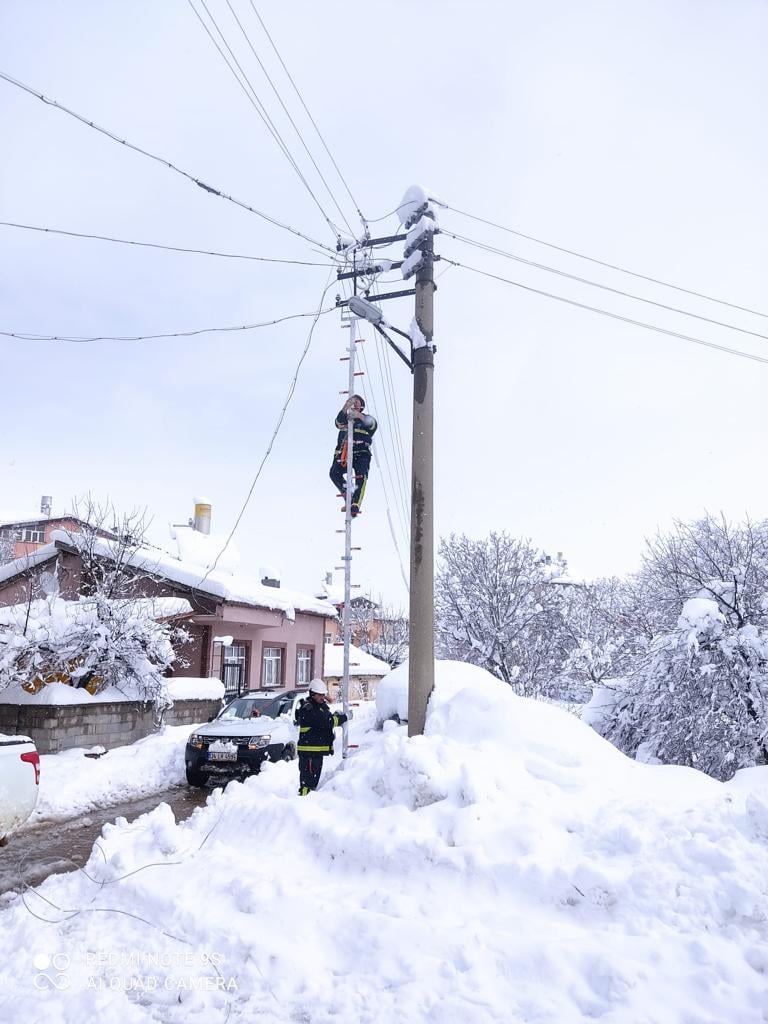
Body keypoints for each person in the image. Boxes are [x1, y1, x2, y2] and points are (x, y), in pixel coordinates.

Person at [295, 679, 349, 795]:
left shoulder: (318, 707)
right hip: (309, 752)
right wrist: (345, 717)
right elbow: (327, 721)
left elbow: (325, 718)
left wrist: (334, 716)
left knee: (312, 782)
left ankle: (307, 799)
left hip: (315, 751)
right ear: (312, 694)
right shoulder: (309, 709)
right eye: (319, 695)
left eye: (323, 695)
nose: (322, 697)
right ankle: (302, 801)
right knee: (307, 783)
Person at [329, 395, 377, 517]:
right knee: (334, 473)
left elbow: (372, 425)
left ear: (361, 406)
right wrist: (345, 407)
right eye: (352, 402)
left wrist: (358, 416)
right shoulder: (345, 419)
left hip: (361, 453)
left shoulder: (366, 419)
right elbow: (338, 422)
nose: (354, 404)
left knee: (361, 476)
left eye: (357, 402)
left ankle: (355, 504)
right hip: (345, 454)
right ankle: (348, 494)